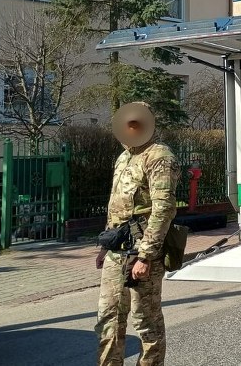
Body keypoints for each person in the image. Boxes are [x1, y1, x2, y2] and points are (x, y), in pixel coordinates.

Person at [96, 102, 179, 366]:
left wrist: (146, 255)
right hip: (116, 251)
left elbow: (163, 208)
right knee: (108, 319)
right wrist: (104, 245)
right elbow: (116, 205)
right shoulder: (123, 157)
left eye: (137, 123)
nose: (132, 128)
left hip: (141, 252)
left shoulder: (159, 157)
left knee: (146, 321)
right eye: (128, 123)